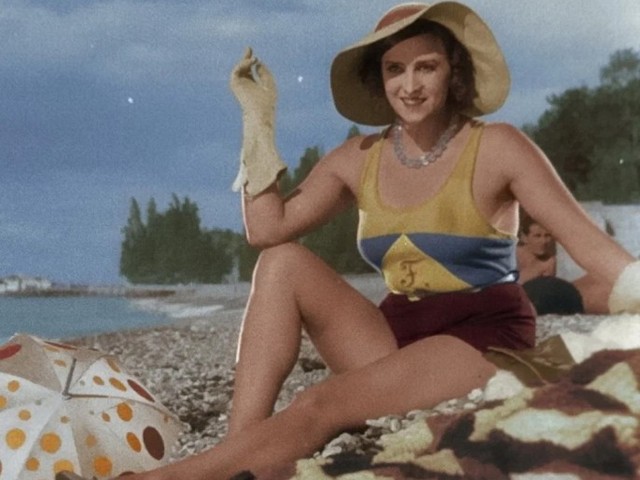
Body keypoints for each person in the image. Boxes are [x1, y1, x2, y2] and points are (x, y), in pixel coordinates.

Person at [58, 2, 640, 479]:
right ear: (379, 79)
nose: (409, 85)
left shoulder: (499, 146)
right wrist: (258, 123)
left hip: (481, 335)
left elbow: (589, 245)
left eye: (426, 67)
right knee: (282, 263)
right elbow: (266, 230)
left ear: (454, 72)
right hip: (394, 331)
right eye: (394, 70)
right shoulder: (358, 157)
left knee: (319, 404)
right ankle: (238, 450)